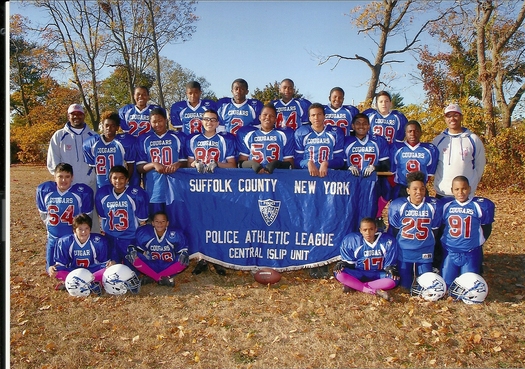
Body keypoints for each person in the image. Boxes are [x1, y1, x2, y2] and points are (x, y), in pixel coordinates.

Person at [388, 171, 442, 290]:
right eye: (415, 189)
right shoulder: (398, 205)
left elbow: (435, 230)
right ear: (408, 190)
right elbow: (395, 230)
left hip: (424, 250)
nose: (419, 192)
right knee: (404, 286)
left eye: (422, 189)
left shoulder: (434, 205)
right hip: (404, 250)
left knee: (426, 285)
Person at [36, 163, 94, 273]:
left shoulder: (81, 192)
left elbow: (86, 218)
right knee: (52, 271)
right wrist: (51, 228)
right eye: (60, 176)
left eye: (67, 177)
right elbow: (43, 214)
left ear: (72, 177)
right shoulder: (45, 191)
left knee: (75, 270)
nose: (63, 180)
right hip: (54, 237)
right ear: (55, 177)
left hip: (72, 239)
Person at [363, 91, 409, 230]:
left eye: (386, 101)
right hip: (375, 155)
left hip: (391, 156)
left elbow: (400, 139)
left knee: (391, 188)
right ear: (376, 103)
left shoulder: (398, 117)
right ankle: (375, 218)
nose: (384, 104)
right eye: (381, 101)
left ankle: (393, 220)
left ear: (391, 103)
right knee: (374, 190)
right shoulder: (370, 115)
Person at [440, 176, 495, 287]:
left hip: (470, 252)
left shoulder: (479, 205)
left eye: (464, 188)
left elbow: (486, 228)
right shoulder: (445, 205)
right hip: (450, 251)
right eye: (457, 189)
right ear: (452, 190)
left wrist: (477, 242)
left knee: (470, 285)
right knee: (446, 284)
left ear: (469, 189)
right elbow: (441, 228)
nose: (460, 192)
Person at [136, 107, 187, 217]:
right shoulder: (144, 139)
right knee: (157, 222)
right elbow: (140, 167)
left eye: (160, 121)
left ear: (165, 120)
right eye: (154, 121)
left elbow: (186, 162)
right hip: (154, 189)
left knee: (176, 222)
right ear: (150, 122)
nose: (157, 124)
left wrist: (177, 164)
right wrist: (154, 164)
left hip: (176, 188)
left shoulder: (178, 137)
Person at [333, 217, 399, 301]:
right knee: (339, 273)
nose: (368, 233)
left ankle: (355, 286)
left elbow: (389, 265)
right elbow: (350, 263)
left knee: (394, 279)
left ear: (376, 229)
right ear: (360, 230)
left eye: (371, 229)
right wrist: (343, 264)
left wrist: (391, 268)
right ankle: (370, 290)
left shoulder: (387, 241)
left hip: (378, 274)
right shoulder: (353, 241)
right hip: (360, 273)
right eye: (365, 230)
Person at [95, 165, 149, 266]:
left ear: (127, 180)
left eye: (121, 178)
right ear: (110, 179)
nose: (118, 181)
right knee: (111, 268)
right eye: (115, 178)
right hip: (111, 237)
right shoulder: (103, 194)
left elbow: (142, 222)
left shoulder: (135, 194)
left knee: (133, 269)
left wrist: (141, 242)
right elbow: (103, 218)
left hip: (130, 238)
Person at [343, 113, 390, 228]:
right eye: (358, 123)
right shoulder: (346, 141)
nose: (361, 126)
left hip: (372, 184)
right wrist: (348, 167)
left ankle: (377, 218)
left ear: (369, 126)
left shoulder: (378, 141)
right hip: (351, 183)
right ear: (352, 126)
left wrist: (375, 167)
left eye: (364, 123)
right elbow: (340, 162)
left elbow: (386, 164)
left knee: (384, 191)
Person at [432, 104, 486, 198]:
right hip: (442, 195)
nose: (452, 118)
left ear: (461, 117)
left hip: (465, 195)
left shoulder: (473, 139)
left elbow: (479, 165)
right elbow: (433, 166)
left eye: (455, 115)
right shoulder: (437, 141)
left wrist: (472, 185)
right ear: (445, 118)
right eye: (449, 116)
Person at [49, 213, 115, 290]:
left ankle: (72, 282)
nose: (84, 232)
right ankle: (91, 282)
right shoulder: (65, 241)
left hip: (93, 271)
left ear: (90, 229)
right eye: (80, 229)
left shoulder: (99, 241)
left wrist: (110, 264)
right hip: (73, 270)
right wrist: (53, 268)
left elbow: (104, 263)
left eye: (86, 228)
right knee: (56, 270)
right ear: (74, 230)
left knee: (109, 268)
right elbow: (61, 264)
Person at [126, 211, 189, 287]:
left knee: (183, 260)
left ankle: (152, 277)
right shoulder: (146, 233)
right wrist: (132, 249)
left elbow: (182, 249)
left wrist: (184, 253)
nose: (160, 224)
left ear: (167, 223)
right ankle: (161, 278)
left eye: (163, 221)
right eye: (157, 221)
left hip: (168, 265)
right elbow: (136, 247)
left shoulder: (175, 234)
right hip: (152, 264)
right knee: (133, 256)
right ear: (152, 223)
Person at [47, 104, 97, 190]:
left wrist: (91, 176)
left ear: (83, 116)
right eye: (73, 114)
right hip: (67, 185)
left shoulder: (94, 136)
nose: (76, 116)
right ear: (68, 116)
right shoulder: (59, 135)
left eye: (79, 114)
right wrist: (62, 179)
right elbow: (53, 160)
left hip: (90, 185)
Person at [83, 111, 136, 189]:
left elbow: (130, 166)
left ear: (117, 127)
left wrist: (125, 181)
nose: (109, 128)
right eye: (106, 125)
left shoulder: (123, 142)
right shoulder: (91, 143)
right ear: (102, 126)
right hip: (101, 185)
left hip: (119, 185)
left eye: (113, 126)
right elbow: (95, 168)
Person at [237, 103, 295, 174]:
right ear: (259, 117)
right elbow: (241, 164)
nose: (267, 117)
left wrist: (277, 164)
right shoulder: (249, 135)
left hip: (277, 176)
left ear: (275, 120)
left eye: (271, 116)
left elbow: (290, 164)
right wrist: (252, 164)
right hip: (254, 176)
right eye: (265, 115)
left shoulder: (283, 135)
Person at [390, 120, 438, 198]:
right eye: (410, 131)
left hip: (420, 188)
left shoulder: (430, 149)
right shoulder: (396, 148)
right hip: (402, 187)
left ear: (420, 133)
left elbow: (429, 174)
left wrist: (418, 185)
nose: (413, 134)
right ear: (405, 133)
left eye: (416, 131)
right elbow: (392, 172)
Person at [294, 103, 344, 178]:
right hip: (307, 175)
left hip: (329, 175)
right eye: (313, 115)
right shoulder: (301, 132)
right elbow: (297, 161)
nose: (316, 118)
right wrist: (308, 163)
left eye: (319, 114)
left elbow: (340, 161)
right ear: (309, 118)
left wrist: (327, 163)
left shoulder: (335, 132)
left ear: (324, 116)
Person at [186, 109, 237, 173]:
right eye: (206, 119)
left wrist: (217, 164)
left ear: (217, 123)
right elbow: (189, 164)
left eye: (213, 120)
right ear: (202, 122)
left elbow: (233, 165)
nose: (209, 122)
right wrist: (195, 163)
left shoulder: (226, 140)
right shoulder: (192, 140)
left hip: (218, 179)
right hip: (198, 179)